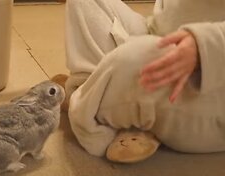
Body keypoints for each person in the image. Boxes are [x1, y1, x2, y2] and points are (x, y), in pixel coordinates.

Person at [54, 0, 225, 163]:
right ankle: (99, 99)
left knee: (135, 56)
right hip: (160, 32)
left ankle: (88, 97)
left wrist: (204, 44)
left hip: (210, 78)